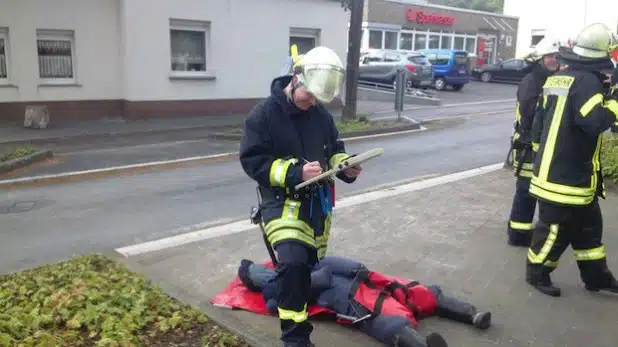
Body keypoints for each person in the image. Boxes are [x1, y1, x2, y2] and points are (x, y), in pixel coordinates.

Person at [239, 46, 362, 347]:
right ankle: (296, 340)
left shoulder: (320, 115)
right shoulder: (264, 115)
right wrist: (296, 172)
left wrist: (345, 167)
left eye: (318, 100)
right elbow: (252, 160)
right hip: (281, 203)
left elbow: (334, 149)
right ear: (295, 78)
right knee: (293, 265)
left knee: (302, 271)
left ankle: (258, 279)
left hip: (315, 207)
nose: (312, 104)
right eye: (308, 97)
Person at [526, 23, 618, 297]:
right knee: (553, 231)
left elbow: (538, 125)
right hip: (565, 180)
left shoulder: (558, 78)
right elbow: (594, 122)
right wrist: (614, 101)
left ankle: (596, 277)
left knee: (589, 230)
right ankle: (536, 273)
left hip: (558, 173)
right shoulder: (588, 82)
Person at [236, 256, 491, 347]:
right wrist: (298, 284)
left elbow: (328, 267)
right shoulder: (276, 287)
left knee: (415, 293)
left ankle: (471, 315)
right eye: (258, 273)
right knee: (386, 318)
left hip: (363, 279)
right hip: (347, 296)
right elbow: (321, 279)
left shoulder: (297, 265)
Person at [506, 36, 561, 247]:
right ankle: (517, 234)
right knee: (526, 192)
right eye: (550, 56)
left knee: (535, 191)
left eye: (556, 56)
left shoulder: (551, 79)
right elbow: (529, 116)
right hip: (528, 145)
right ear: (540, 59)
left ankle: (522, 232)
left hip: (541, 145)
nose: (554, 60)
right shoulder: (531, 82)